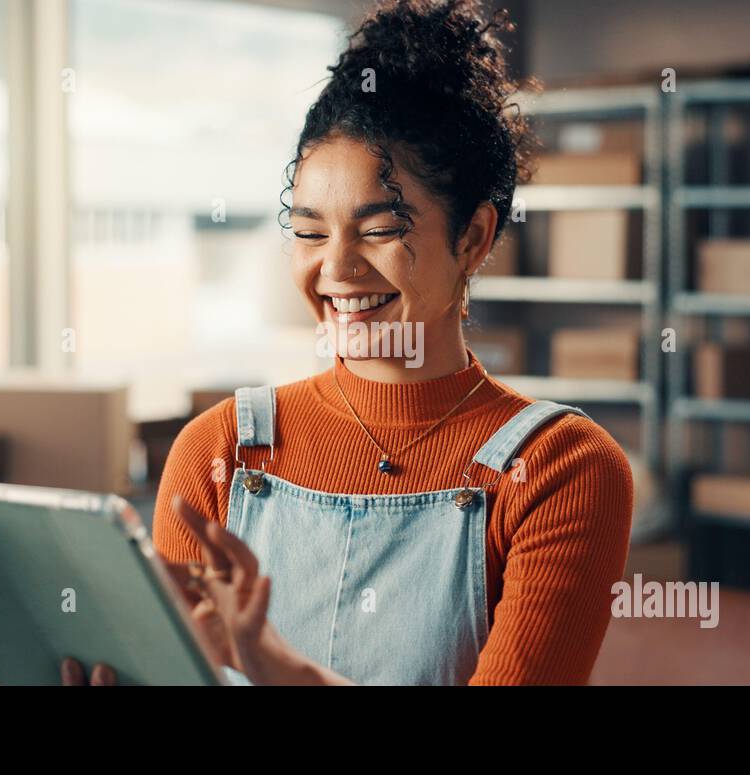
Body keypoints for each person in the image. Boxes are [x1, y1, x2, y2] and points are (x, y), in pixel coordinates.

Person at [63, 0, 632, 687]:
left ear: (473, 238)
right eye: (309, 231)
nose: (336, 267)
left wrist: (275, 666)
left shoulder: (560, 470)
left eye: (378, 228)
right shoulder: (217, 452)